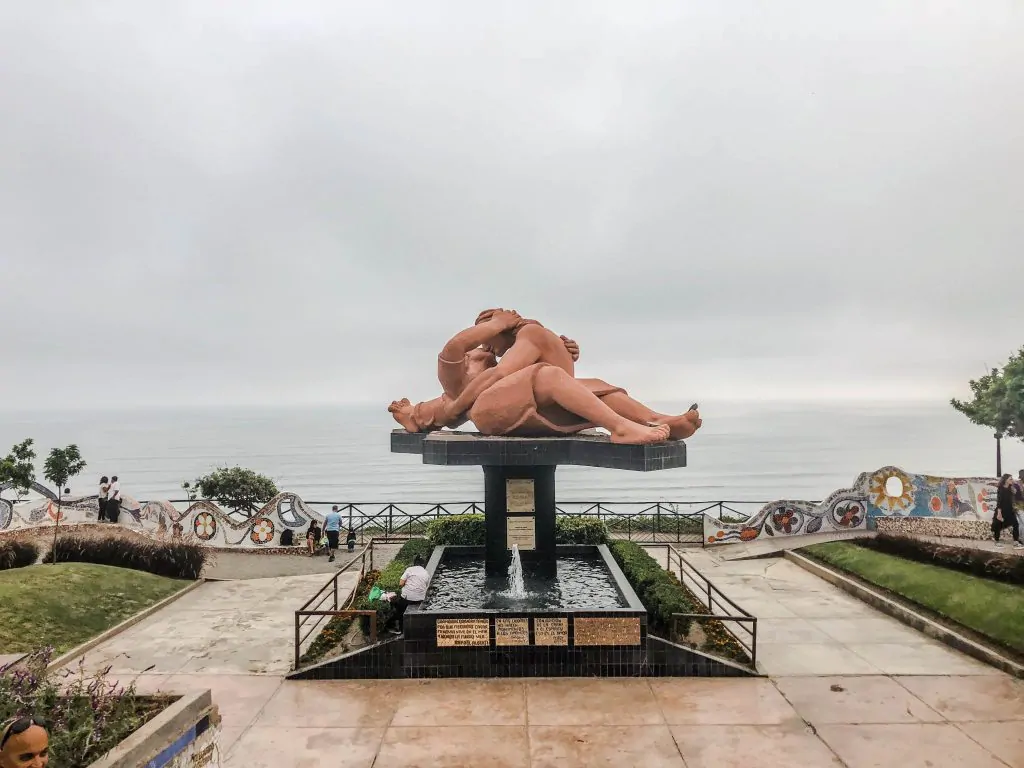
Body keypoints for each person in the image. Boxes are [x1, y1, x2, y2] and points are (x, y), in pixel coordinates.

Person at [389, 308, 701, 444]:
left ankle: (655, 419)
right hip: (491, 414)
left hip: (513, 408)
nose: (491, 346)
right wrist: (498, 324)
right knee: (548, 375)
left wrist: (559, 351)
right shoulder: (464, 362)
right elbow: (458, 350)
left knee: (596, 387)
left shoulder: (502, 364)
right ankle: (620, 428)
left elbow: (510, 375)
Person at [390, 555, 429, 634]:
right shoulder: (426, 573)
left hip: (407, 598)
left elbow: (400, 583)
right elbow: (426, 586)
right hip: (420, 599)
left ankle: (400, 629)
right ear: (423, 564)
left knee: (399, 609)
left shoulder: (409, 569)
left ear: (414, 563)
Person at [992, 473, 1022, 549]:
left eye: (1012, 479)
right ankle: (996, 541)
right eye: (1010, 479)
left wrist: (1014, 485)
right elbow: (999, 501)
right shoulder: (1001, 489)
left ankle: (1016, 542)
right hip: (1001, 510)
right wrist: (999, 513)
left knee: (1016, 524)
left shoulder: (1010, 488)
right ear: (1006, 480)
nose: (1012, 480)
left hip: (1010, 510)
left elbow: (1016, 496)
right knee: (998, 525)